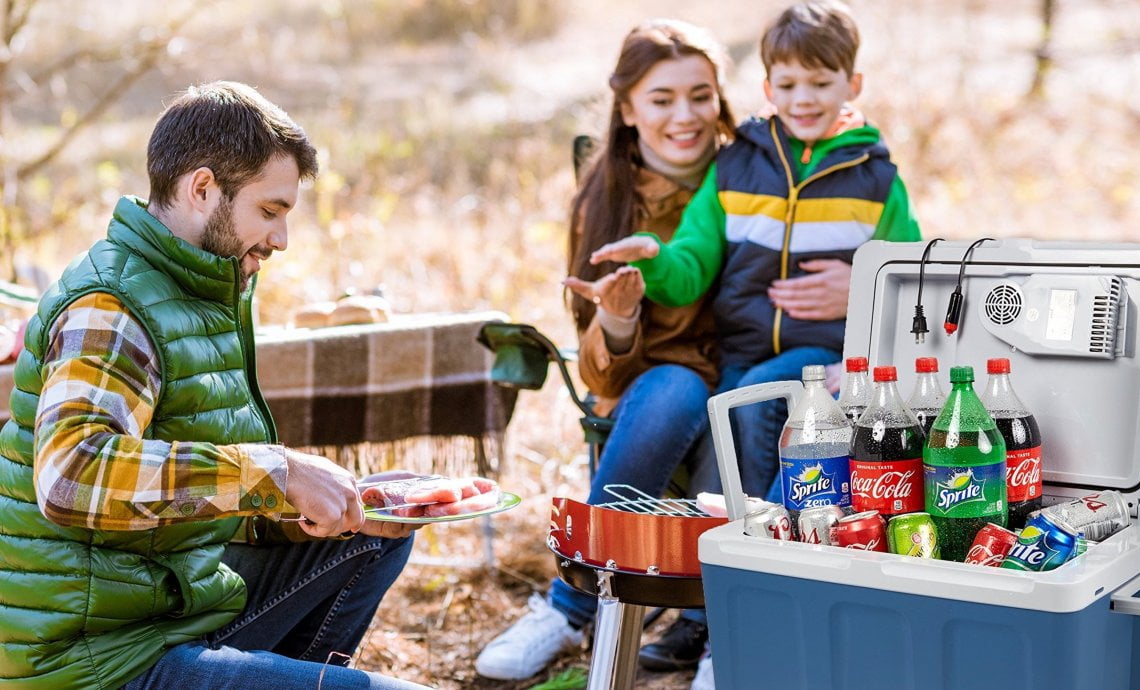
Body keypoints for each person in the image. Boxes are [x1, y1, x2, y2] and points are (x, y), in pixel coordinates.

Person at [0, 82, 429, 690]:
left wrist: (325, 500)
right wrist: (273, 472)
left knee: (371, 532)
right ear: (202, 189)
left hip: (169, 607)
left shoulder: (203, 287)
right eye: (270, 211)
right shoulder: (112, 307)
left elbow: (194, 499)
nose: (281, 239)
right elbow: (72, 477)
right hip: (95, 659)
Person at [473, 19, 739, 684]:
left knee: (739, 406)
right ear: (627, 110)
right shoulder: (607, 197)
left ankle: (723, 628)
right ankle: (571, 608)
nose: (686, 116)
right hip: (654, 381)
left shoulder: (752, 176)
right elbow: (600, 361)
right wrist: (618, 321)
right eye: (661, 99)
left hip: (746, 371)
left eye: (701, 95)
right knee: (676, 391)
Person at [593, 0, 922, 511]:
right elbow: (690, 269)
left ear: (852, 86)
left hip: (821, 355)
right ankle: (726, 564)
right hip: (738, 355)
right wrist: (654, 260)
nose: (803, 100)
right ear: (768, 89)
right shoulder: (735, 167)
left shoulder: (876, 180)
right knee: (722, 480)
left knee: (764, 394)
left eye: (820, 83)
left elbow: (909, 281)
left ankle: (778, 541)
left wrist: (864, 348)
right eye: (788, 85)